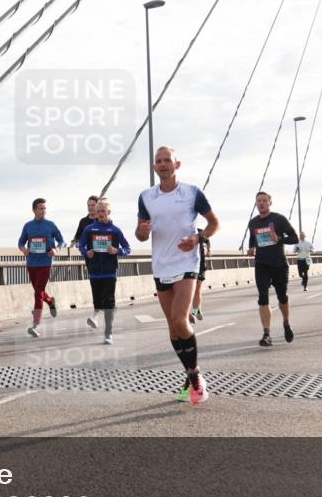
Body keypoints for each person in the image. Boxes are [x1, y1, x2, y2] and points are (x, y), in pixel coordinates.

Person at [136, 146, 219, 405]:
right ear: (154, 167)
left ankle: (195, 376)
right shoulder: (146, 197)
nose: (163, 165)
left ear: (177, 164)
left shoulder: (192, 192)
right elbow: (140, 235)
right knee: (172, 326)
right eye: (158, 161)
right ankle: (191, 375)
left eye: (167, 161)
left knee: (180, 319)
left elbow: (214, 222)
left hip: (186, 262)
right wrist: (142, 230)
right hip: (161, 265)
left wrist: (198, 237)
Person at [247, 192, 299, 346]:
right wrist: (251, 248)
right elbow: (252, 238)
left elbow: (294, 238)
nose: (261, 203)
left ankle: (286, 323)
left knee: (282, 297)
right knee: (263, 297)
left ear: (270, 203)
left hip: (279, 264)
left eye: (264, 200)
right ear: (256, 203)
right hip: (261, 264)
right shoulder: (253, 222)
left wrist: (280, 239)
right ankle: (266, 334)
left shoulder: (279, 219)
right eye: (258, 201)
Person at [78, 197, 131, 344]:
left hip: (109, 271)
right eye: (99, 211)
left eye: (104, 211)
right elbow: (81, 246)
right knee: (97, 302)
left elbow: (128, 249)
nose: (101, 213)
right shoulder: (89, 230)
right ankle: (99, 319)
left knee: (109, 301)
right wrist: (86, 252)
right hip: (94, 271)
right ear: (96, 212)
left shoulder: (115, 230)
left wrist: (117, 251)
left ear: (109, 212)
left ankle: (108, 333)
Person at [18, 198, 64, 337]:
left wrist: (56, 250)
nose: (43, 211)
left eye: (45, 208)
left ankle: (35, 325)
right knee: (39, 291)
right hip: (31, 263)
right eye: (41, 208)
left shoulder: (50, 225)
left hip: (45, 262)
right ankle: (50, 301)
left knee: (38, 293)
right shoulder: (28, 226)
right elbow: (21, 242)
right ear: (34, 210)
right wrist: (24, 250)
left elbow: (62, 241)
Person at [190, 230, 210, 322]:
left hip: (199, 265)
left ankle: (195, 312)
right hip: (190, 266)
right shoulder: (182, 231)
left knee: (196, 290)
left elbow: (207, 241)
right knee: (192, 291)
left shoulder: (199, 232)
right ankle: (194, 311)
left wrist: (209, 250)